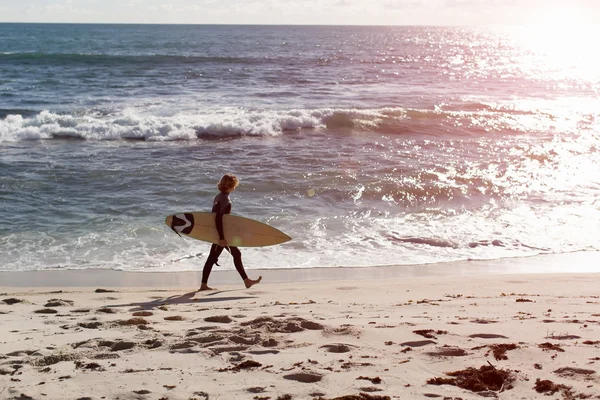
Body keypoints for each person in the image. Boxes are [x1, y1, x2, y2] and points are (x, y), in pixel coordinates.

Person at [199, 174, 262, 291]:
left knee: (232, 254)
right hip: (222, 234)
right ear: (231, 185)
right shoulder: (224, 199)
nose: (235, 187)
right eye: (235, 185)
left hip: (222, 232)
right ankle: (203, 285)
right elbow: (218, 218)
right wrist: (221, 238)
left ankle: (246, 281)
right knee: (213, 258)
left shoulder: (219, 197)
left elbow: (217, 218)